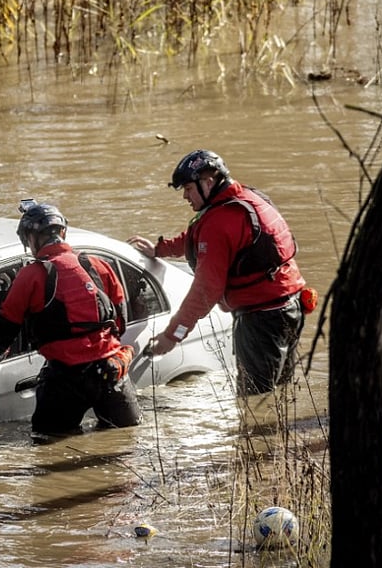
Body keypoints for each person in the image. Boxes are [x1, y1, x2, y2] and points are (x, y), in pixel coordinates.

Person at [128, 149, 309, 396]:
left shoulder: (221, 220)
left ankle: (258, 435)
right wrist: (161, 249)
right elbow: (199, 236)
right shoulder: (247, 198)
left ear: (208, 182)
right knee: (280, 394)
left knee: (254, 399)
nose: (184, 196)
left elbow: (205, 291)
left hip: (260, 318)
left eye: (188, 189)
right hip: (292, 306)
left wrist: (172, 336)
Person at [0, 200, 141, 437]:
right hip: (110, 371)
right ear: (63, 232)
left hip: (65, 380)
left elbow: (6, 326)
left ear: (30, 239)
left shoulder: (32, 275)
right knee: (128, 442)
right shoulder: (98, 265)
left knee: (49, 449)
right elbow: (120, 322)